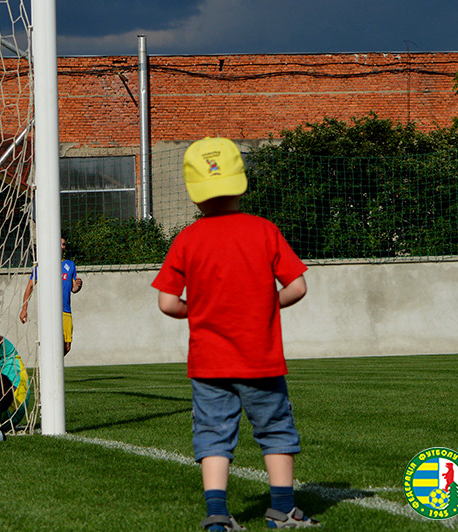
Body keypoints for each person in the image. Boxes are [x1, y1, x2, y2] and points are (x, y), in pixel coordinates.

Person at [151, 137, 319, 530]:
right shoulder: (263, 230)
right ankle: (282, 510)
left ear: (195, 194)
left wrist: (199, 309)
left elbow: (167, 303)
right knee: (275, 429)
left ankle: (216, 516)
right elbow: (297, 287)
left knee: (213, 434)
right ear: (241, 182)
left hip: (208, 363)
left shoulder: (187, 239)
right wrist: (263, 304)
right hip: (259, 359)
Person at [19, 238, 83, 355]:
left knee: (67, 346)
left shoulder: (70, 264)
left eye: (64, 244)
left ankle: (52, 368)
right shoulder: (43, 265)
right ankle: (48, 367)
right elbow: (30, 287)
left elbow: (73, 289)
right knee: (52, 342)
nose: (63, 246)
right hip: (49, 311)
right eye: (61, 244)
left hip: (65, 311)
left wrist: (79, 285)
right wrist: (24, 309)